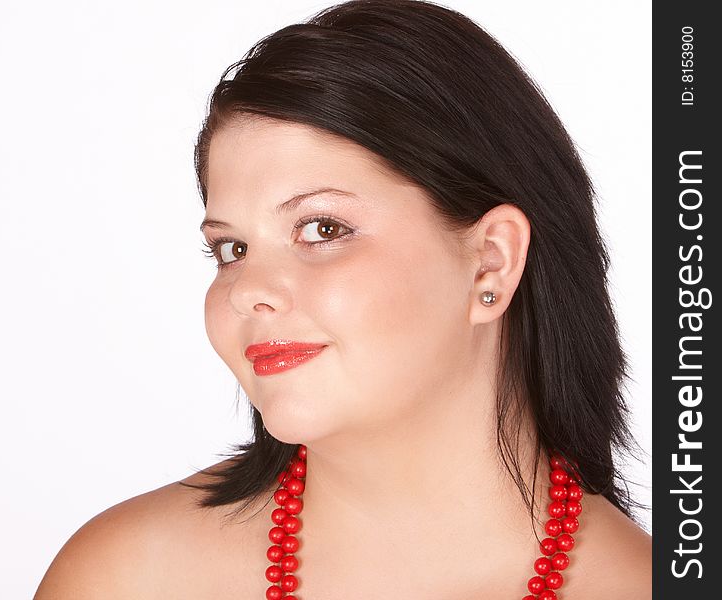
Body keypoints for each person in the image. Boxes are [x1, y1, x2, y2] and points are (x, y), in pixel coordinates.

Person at [34, 1, 651, 598]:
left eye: (323, 229)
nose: (247, 290)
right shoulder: (127, 579)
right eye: (232, 249)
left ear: (490, 260)